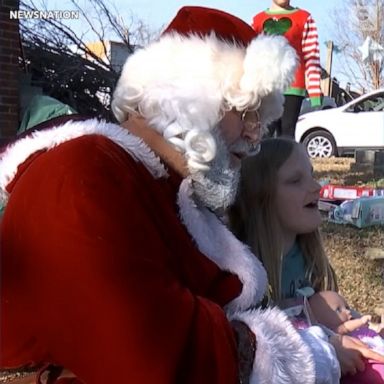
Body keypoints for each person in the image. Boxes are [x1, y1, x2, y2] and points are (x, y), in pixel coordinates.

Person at [0, 6, 343, 384]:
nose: (254, 134)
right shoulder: (82, 175)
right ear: (185, 95)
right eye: (244, 111)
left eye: (261, 119)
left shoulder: (173, 194)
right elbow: (158, 354)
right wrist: (312, 353)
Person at [228, 137, 384, 378]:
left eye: (311, 175)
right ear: (261, 197)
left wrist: (362, 328)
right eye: (295, 180)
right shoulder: (243, 277)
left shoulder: (310, 259)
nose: (316, 186)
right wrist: (330, 347)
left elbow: (330, 320)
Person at [252, 0, 323, 138]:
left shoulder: (304, 18)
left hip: (294, 86)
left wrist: (314, 92)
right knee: (264, 133)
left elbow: (312, 55)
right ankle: (264, 159)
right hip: (266, 86)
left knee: (287, 132)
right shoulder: (257, 21)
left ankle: (288, 159)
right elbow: (251, 54)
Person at [309, 290, 384, 383]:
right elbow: (345, 327)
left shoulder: (355, 330)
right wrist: (361, 321)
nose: (348, 311)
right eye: (338, 310)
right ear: (320, 321)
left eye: (347, 307)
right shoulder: (335, 333)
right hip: (366, 363)